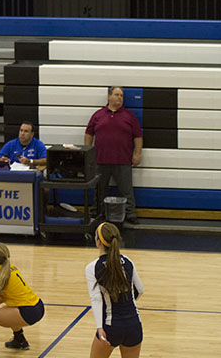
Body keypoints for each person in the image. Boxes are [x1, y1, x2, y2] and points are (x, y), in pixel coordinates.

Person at [84, 86, 142, 224]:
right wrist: (87, 152)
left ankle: (129, 213)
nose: (119, 98)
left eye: (121, 96)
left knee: (126, 190)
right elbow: (89, 133)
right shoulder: (98, 115)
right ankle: (97, 212)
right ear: (109, 96)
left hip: (123, 160)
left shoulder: (129, 116)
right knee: (99, 189)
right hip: (101, 159)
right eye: (117, 95)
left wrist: (137, 154)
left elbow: (138, 136)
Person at [86, 222, 144, 358]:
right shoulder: (128, 261)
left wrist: (100, 328)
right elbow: (140, 290)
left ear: (98, 241)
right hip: (134, 325)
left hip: (110, 326)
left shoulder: (92, 267)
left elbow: (96, 299)